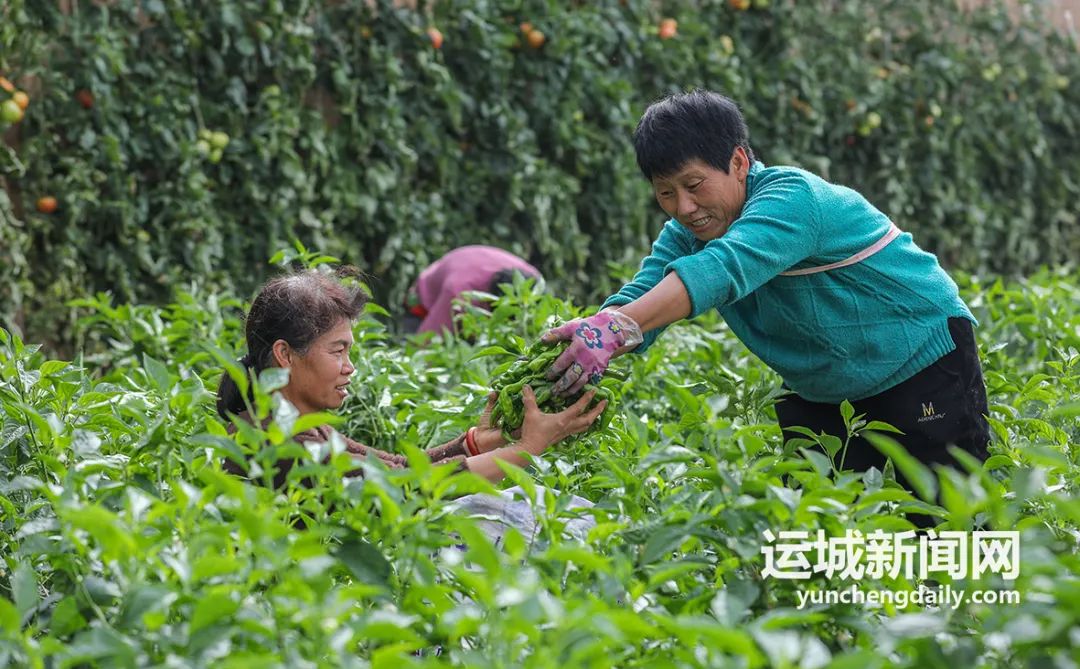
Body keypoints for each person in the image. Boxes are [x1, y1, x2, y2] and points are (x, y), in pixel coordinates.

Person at [543, 89, 990, 484]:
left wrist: (614, 328)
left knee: (948, 527)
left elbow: (722, 268)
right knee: (818, 542)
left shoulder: (792, 199)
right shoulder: (689, 233)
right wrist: (568, 352)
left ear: (738, 162)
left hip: (923, 362)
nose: (683, 207)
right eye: (665, 193)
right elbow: (638, 301)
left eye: (694, 185)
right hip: (825, 386)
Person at [217, 266, 605, 490]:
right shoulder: (280, 443)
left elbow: (400, 467)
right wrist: (527, 448)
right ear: (285, 354)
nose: (349, 366)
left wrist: (480, 442)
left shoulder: (299, 424)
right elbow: (411, 489)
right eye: (337, 351)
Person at [403, 245, 542, 336]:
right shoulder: (459, 292)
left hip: (468, 263)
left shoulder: (534, 280)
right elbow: (426, 341)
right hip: (426, 296)